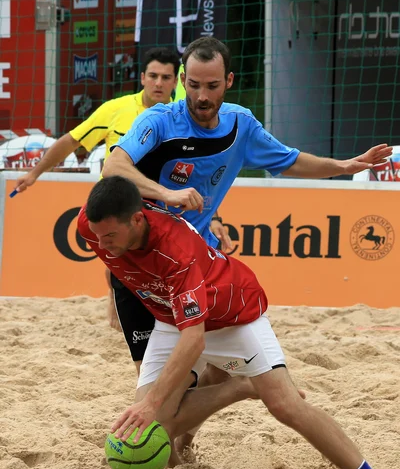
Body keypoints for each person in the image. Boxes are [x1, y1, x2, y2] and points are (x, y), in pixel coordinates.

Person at [78, 176, 386, 469]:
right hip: (172, 319)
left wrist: (151, 403)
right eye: (98, 236)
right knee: (152, 427)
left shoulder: (176, 251)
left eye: (111, 236)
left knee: (285, 405)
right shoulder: (93, 225)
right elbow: (117, 171)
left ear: (137, 219)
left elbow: (194, 339)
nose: (102, 244)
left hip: (232, 315)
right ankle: (240, 386)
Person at [101, 36, 392, 367]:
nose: (201, 96)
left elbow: (290, 160)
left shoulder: (241, 125)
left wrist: (345, 166)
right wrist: (166, 193)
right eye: (194, 85)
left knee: (215, 371)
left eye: (212, 86)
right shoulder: (159, 120)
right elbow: (113, 166)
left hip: (196, 260)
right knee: (156, 380)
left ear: (228, 81)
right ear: (183, 81)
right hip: (143, 263)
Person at [14, 47, 182, 329]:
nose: (159, 83)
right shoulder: (116, 109)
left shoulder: (181, 113)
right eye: (153, 75)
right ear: (142, 77)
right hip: (120, 202)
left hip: (163, 200)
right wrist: (34, 174)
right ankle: (115, 303)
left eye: (166, 77)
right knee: (118, 258)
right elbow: (71, 140)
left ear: (175, 81)